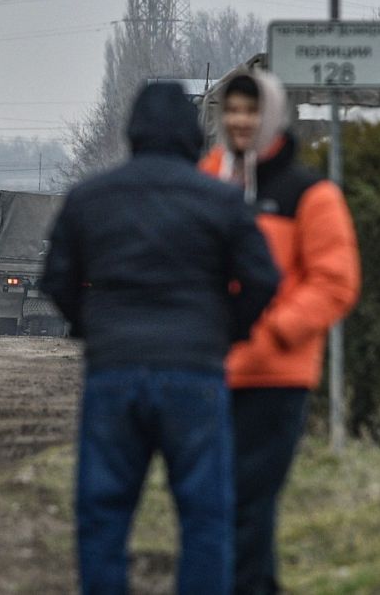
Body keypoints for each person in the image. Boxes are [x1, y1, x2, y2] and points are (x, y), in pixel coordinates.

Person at [42, 81, 279, 595]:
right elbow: (263, 278)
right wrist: (226, 330)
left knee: (103, 513)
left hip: (114, 371)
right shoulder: (221, 200)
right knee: (205, 514)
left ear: (133, 133)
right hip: (195, 372)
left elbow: (55, 279)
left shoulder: (90, 198)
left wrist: (92, 327)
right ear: (193, 136)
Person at [201, 71, 361, 595]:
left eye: (249, 110)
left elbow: (335, 282)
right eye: (231, 111)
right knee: (216, 499)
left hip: (276, 374)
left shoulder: (309, 193)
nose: (239, 121)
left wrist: (272, 332)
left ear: (270, 115)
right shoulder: (208, 179)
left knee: (250, 498)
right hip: (209, 371)